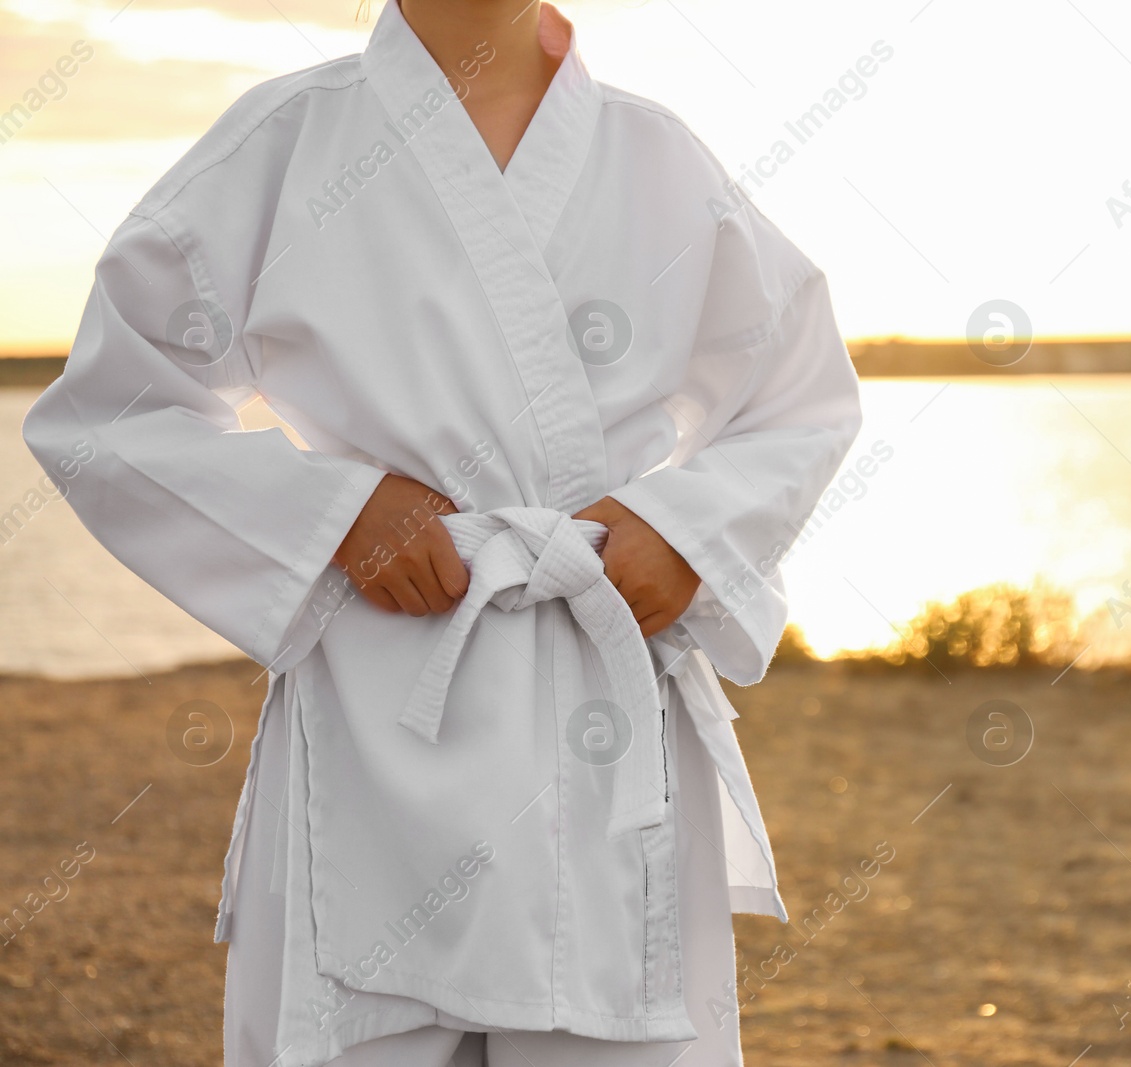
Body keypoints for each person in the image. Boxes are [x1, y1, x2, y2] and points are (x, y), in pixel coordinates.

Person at [21, 0, 862, 1063]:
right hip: (382, 689)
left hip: (594, 685)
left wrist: (683, 529)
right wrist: (333, 513)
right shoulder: (287, 143)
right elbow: (106, 413)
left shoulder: (655, 157)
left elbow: (801, 399)